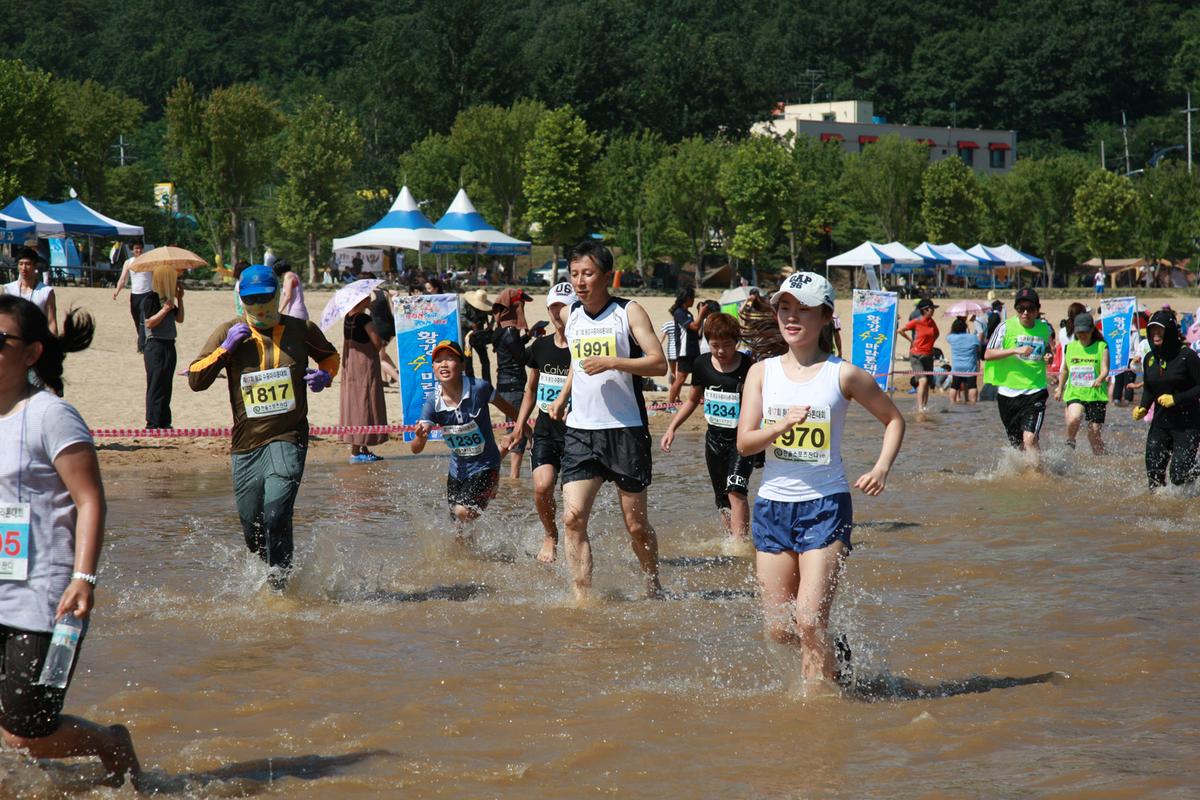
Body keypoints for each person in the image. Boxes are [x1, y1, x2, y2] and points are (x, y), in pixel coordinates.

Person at [735, 272, 905, 687]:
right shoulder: (761, 372)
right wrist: (781, 428)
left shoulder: (843, 375)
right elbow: (744, 444)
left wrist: (881, 467)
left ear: (826, 316)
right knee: (779, 630)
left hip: (825, 507)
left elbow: (894, 420)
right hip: (772, 506)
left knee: (809, 622)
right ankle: (836, 657)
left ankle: (818, 719)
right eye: (785, 308)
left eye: (804, 310)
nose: (791, 318)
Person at [0, 297, 143, 789]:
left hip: (44, 599)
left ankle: (110, 745)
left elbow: (90, 500)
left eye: (0, 340)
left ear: (32, 353)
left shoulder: (51, 415)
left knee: (24, 732)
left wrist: (83, 579)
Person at [188, 265, 339, 590]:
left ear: (275, 296)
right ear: (241, 298)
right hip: (245, 445)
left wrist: (325, 376)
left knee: (276, 515)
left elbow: (330, 356)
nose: (258, 304)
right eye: (250, 298)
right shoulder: (229, 330)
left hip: (289, 437)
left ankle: (279, 592)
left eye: (264, 297)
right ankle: (273, 574)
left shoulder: (301, 329)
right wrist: (225, 349)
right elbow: (195, 380)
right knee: (253, 529)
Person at [547, 241, 667, 601]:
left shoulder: (629, 312)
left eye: (587, 274)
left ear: (605, 275)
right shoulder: (570, 315)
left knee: (635, 525)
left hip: (625, 431)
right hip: (581, 431)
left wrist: (615, 362)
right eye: (574, 274)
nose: (580, 282)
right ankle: (582, 599)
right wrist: (563, 395)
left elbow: (658, 363)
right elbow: (577, 363)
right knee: (572, 519)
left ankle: (652, 583)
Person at [660, 312, 756, 543]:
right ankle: (731, 536)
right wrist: (672, 427)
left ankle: (739, 544)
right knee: (722, 497)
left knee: (736, 490)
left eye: (726, 345)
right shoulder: (701, 364)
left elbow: (761, 403)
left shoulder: (749, 367)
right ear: (708, 343)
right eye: (715, 345)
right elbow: (692, 400)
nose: (721, 351)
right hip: (713, 440)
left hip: (741, 440)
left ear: (737, 342)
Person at [412, 340, 523, 528]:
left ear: (462, 364)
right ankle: (466, 557)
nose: (444, 364)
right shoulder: (433, 403)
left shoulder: (479, 388)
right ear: (433, 368)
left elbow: (508, 409)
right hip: (457, 470)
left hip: (485, 466)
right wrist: (420, 437)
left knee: (462, 512)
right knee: (458, 524)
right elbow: (416, 449)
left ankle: (494, 474)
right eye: (438, 361)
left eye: (450, 359)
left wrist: (523, 430)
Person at [504, 282, 576, 562]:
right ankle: (550, 534)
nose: (558, 313)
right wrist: (520, 425)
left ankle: (574, 537)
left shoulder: (582, 348)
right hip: (546, 429)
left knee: (572, 502)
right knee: (542, 487)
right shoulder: (540, 347)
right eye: (553, 307)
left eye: (564, 307)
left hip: (577, 433)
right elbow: (531, 390)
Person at [983, 288, 1054, 461]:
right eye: (1021, 308)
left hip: (1035, 390)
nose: (1025, 312)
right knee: (1018, 445)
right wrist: (1015, 350)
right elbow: (987, 354)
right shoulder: (1005, 327)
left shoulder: (1045, 328)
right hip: (1008, 393)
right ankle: (1036, 469)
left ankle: (1037, 478)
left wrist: (1049, 357)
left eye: (1030, 308)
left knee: (1029, 439)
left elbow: (1047, 352)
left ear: (1037, 309)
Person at [1133, 311, 1200, 488]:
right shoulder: (1149, 359)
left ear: (1169, 331)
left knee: (1178, 476)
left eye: (1160, 330)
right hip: (1160, 425)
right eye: (1152, 330)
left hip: (1187, 426)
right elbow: (1149, 388)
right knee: (1154, 477)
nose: (1155, 334)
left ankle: (1196, 471)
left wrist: (1176, 399)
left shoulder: (1187, 356)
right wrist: (1143, 407)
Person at [340, 296, 388, 463]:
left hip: (350, 365)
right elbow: (376, 343)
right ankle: (356, 451)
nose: (370, 299)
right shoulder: (364, 318)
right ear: (360, 300)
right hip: (364, 364)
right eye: (367, 297)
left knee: (354, 403)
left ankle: (363, 447)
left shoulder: (348, 317)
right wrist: (382, 340)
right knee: (364, 402)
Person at [492, 289, 533, 479]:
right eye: (521, 304)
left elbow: (511, 350)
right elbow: (522, 357)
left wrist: (528, 336)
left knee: (517, 428)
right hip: (513, 385)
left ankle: (509, 473)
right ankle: (506, 473)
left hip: (504, 384)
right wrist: (539, 344)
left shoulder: (501, 329)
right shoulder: (510, 331)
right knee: (517, 431)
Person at [1055, 312, 1108, 454]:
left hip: (1096, 394)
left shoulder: (1101, 346)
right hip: (1075, 391)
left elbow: (1105, 369)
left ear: (1092, 330)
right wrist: (1059, 388)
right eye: (1079, 332)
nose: (1082, 335)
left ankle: (1102, 460)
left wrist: (1100, 379)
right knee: (1074, 418)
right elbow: (1065, 370)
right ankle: (1070, 441)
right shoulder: (1070, 347)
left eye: (1085, 331)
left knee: (1094, 433)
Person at [141, 267, 185, 429]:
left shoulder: (168, 299)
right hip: (155, 345)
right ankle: (152, 422)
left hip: (169, 343)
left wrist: (179, 299)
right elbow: (149, 323)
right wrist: (165, 309)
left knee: (167, 383)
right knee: (156, 383)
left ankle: (164, 421)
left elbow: (179, 319)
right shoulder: (151, 298)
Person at [3, 248, 57, 337]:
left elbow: (51, 321)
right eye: (21, 264)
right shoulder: (8, 289)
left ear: (35, 266)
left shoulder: (46, 291)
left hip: (36, 338)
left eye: (27, 264)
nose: (23, 268)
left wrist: (54, 345)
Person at [667, 288, 708, 403]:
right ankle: (670, 403)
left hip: (693, 349)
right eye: (693, 298)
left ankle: (699, 398)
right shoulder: (679, 312)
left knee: (698, 376)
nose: (694, 301)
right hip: (684, 351)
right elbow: (694, 327)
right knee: (681, 379)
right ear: (687, 299)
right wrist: (701, 313)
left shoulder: (687, 313)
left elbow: (696, 329)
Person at [900, 298, 939, 413]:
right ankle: (920, 408)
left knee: (928, 382)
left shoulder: (932, 322)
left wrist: (930, 344)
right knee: (922, 381)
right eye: (932, 309)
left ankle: (925, 406)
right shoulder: (916, 321)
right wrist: (911, 341)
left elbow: (936, 333)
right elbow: (901, 330)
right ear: (925, 310)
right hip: (916, 355)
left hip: (928, 355)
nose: (933, 311)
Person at [110, 241, 150, 352]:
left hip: (147, 294)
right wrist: (117, 290)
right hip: (135, 295)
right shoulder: (128, 262)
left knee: (143, 319)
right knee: (137, 320)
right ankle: (142, 339)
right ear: (132, 250)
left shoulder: (149, 261)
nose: (139, 250)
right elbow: (123, 278)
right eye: (136, 248)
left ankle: (142, 346)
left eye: (141, 248)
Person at [946, 317, 981, 404]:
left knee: (954, 386)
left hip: (957, 366)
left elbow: (947, 335)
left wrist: (953, 328)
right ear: (965, 327)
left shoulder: (952, 338)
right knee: (972, 385)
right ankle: (973, 403)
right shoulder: (973, 338)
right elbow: (978, 348)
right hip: (970, 366)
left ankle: (952, 403)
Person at [659, 317, 678, 388]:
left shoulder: (667, 325)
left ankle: (673, 390)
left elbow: (661, 339)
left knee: (673, 372)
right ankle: (676, 393)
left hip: (671, 351)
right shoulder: (684, 324)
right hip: (682, 351)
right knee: (679, 374)